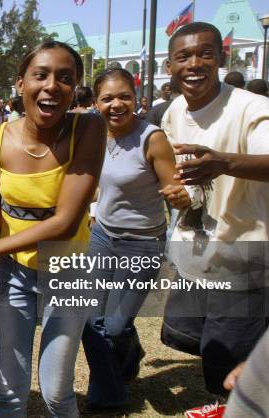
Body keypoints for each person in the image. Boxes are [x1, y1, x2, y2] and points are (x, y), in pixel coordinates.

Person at [0, 40, 106, 417]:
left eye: (66, 78)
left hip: (69, 274)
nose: (53, 85)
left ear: (75, 88)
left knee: (55, 393)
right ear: (20, 83)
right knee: (9, 395)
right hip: (15, 275)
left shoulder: (88, 128)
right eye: (41, 75)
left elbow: (65, 224)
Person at [160, 22, 269, 399]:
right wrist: (180, 194)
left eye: (205, 53)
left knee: (229, 370)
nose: (194, 63)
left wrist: (225, 164)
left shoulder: (251, 107)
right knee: (195, 343)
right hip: (197, 258)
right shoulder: (174, 110)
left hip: (247, 263)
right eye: (183, 56)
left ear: (221, 58)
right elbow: (182, 178)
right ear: (170, 66)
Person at [80, 68, 190, 409]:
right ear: (96, 102)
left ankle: (128, 352)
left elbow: (175, 186)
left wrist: (179, 195)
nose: (116, 104)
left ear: (136, 98)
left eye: (124, 96)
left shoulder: (152, 138)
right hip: (101, 235)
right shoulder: (96, 134)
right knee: (89, 319)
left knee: (114, 327)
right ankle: (109, 393)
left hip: (142, 243)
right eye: (107, 98)